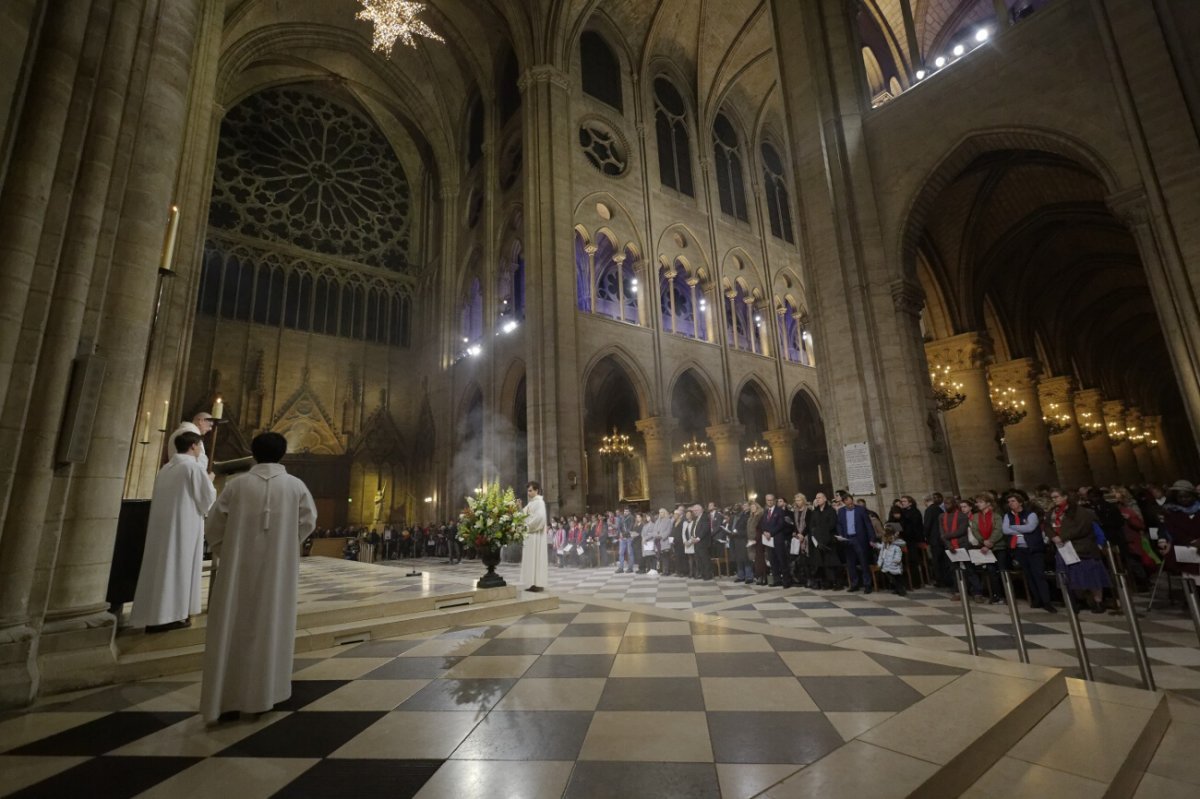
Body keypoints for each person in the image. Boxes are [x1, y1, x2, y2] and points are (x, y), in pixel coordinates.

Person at [200, 432, 317, 723]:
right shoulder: (295, 486)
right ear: (282, 454)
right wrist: (285, 546)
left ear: (252, 453)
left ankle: (225, 699)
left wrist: (230, 552)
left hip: (238, 571)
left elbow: (213, 526)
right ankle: (265, 695)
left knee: (233, 625)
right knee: (272, 625)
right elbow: (308, 522)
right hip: (279, 572)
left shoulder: (236, 485)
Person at [129, 431, 216, 633]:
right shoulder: (192, 467)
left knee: (161, 570)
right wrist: (210, 479)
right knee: (178, 569)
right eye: (199, 447)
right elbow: (207, 498)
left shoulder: (166, 468)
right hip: (182, 529)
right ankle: (171, 617)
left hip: (163, 529)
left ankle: (155, 615)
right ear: (194, 446)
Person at [1047, 487, 1110, 613]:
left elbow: (1083, 528)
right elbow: (1046, 525)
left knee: (1091, 575)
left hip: (1081, 546)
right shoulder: (1053, 512)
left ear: (1065, 496)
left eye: (1056, 497)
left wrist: (1063, 537)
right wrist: (1053, 536)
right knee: (1070, 576)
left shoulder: (1080, 511)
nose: (1054, 500)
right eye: (1052, 498)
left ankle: (1098, 601)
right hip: (1063, 548)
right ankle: (1076, 601)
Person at [1002, 492, 1056, 612]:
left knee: (1039, 574)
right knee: (1029, 575)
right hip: (1019, 548)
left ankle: (1046, 601)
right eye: (1009, 502)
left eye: (1013, 501)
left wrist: (1014, 526)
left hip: (1033, 548)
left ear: (1020, 502)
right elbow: (1005, 530)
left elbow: (1030, 528)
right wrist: (1020, 527)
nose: (1011, 504)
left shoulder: (1031, 514)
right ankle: (1037, 599)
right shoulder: (1008, 515)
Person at [836, 491, 875, 593]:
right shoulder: (841, 511)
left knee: (863, 562)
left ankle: (867, 584)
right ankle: (854, 584)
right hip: (847, 539)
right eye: (846, 502)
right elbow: (839, 524)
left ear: (852, 500)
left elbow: (868, 525)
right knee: (851, 563)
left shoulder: (860, 510)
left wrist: (872, 538)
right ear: (844, 502)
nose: (849, 504)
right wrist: (840, 535)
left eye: (850, 501)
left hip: (859, 539)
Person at [807, 492, 841, 589]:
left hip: (829, 540)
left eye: (820, 498)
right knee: (821, 563)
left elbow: (832, 524)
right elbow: (811, 526)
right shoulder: (815, 512)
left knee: (832, 562)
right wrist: (816, 536)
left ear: (825, 499)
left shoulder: (831, 511)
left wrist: (821, 533)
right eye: (816, 498)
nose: (818, 499)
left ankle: (837, 583)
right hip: (818, 541)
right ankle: (826, 583)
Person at [760, 493, 789, 587]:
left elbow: (781, 524)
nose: (769, 502)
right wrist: (764, 532)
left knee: (782, 560)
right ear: (766, 501)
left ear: (774, 500)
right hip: (768, 540)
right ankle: (776, 580)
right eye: (768, 500)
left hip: (777, 538)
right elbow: (762, 524)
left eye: (771, 500)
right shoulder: (765, 511)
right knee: (773, 560)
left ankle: (786, 581)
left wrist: (770, 533)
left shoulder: (779, 510)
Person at [877, 523, 906, 596]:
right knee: (891, 578)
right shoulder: (885, 544)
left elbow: (898, 552)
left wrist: (896, 560)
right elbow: (882, 552)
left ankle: (901, 590)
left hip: (894, 564)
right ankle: (896, 589)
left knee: (897, 578)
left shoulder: (896, 544)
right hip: (886, 564)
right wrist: (880, 562)